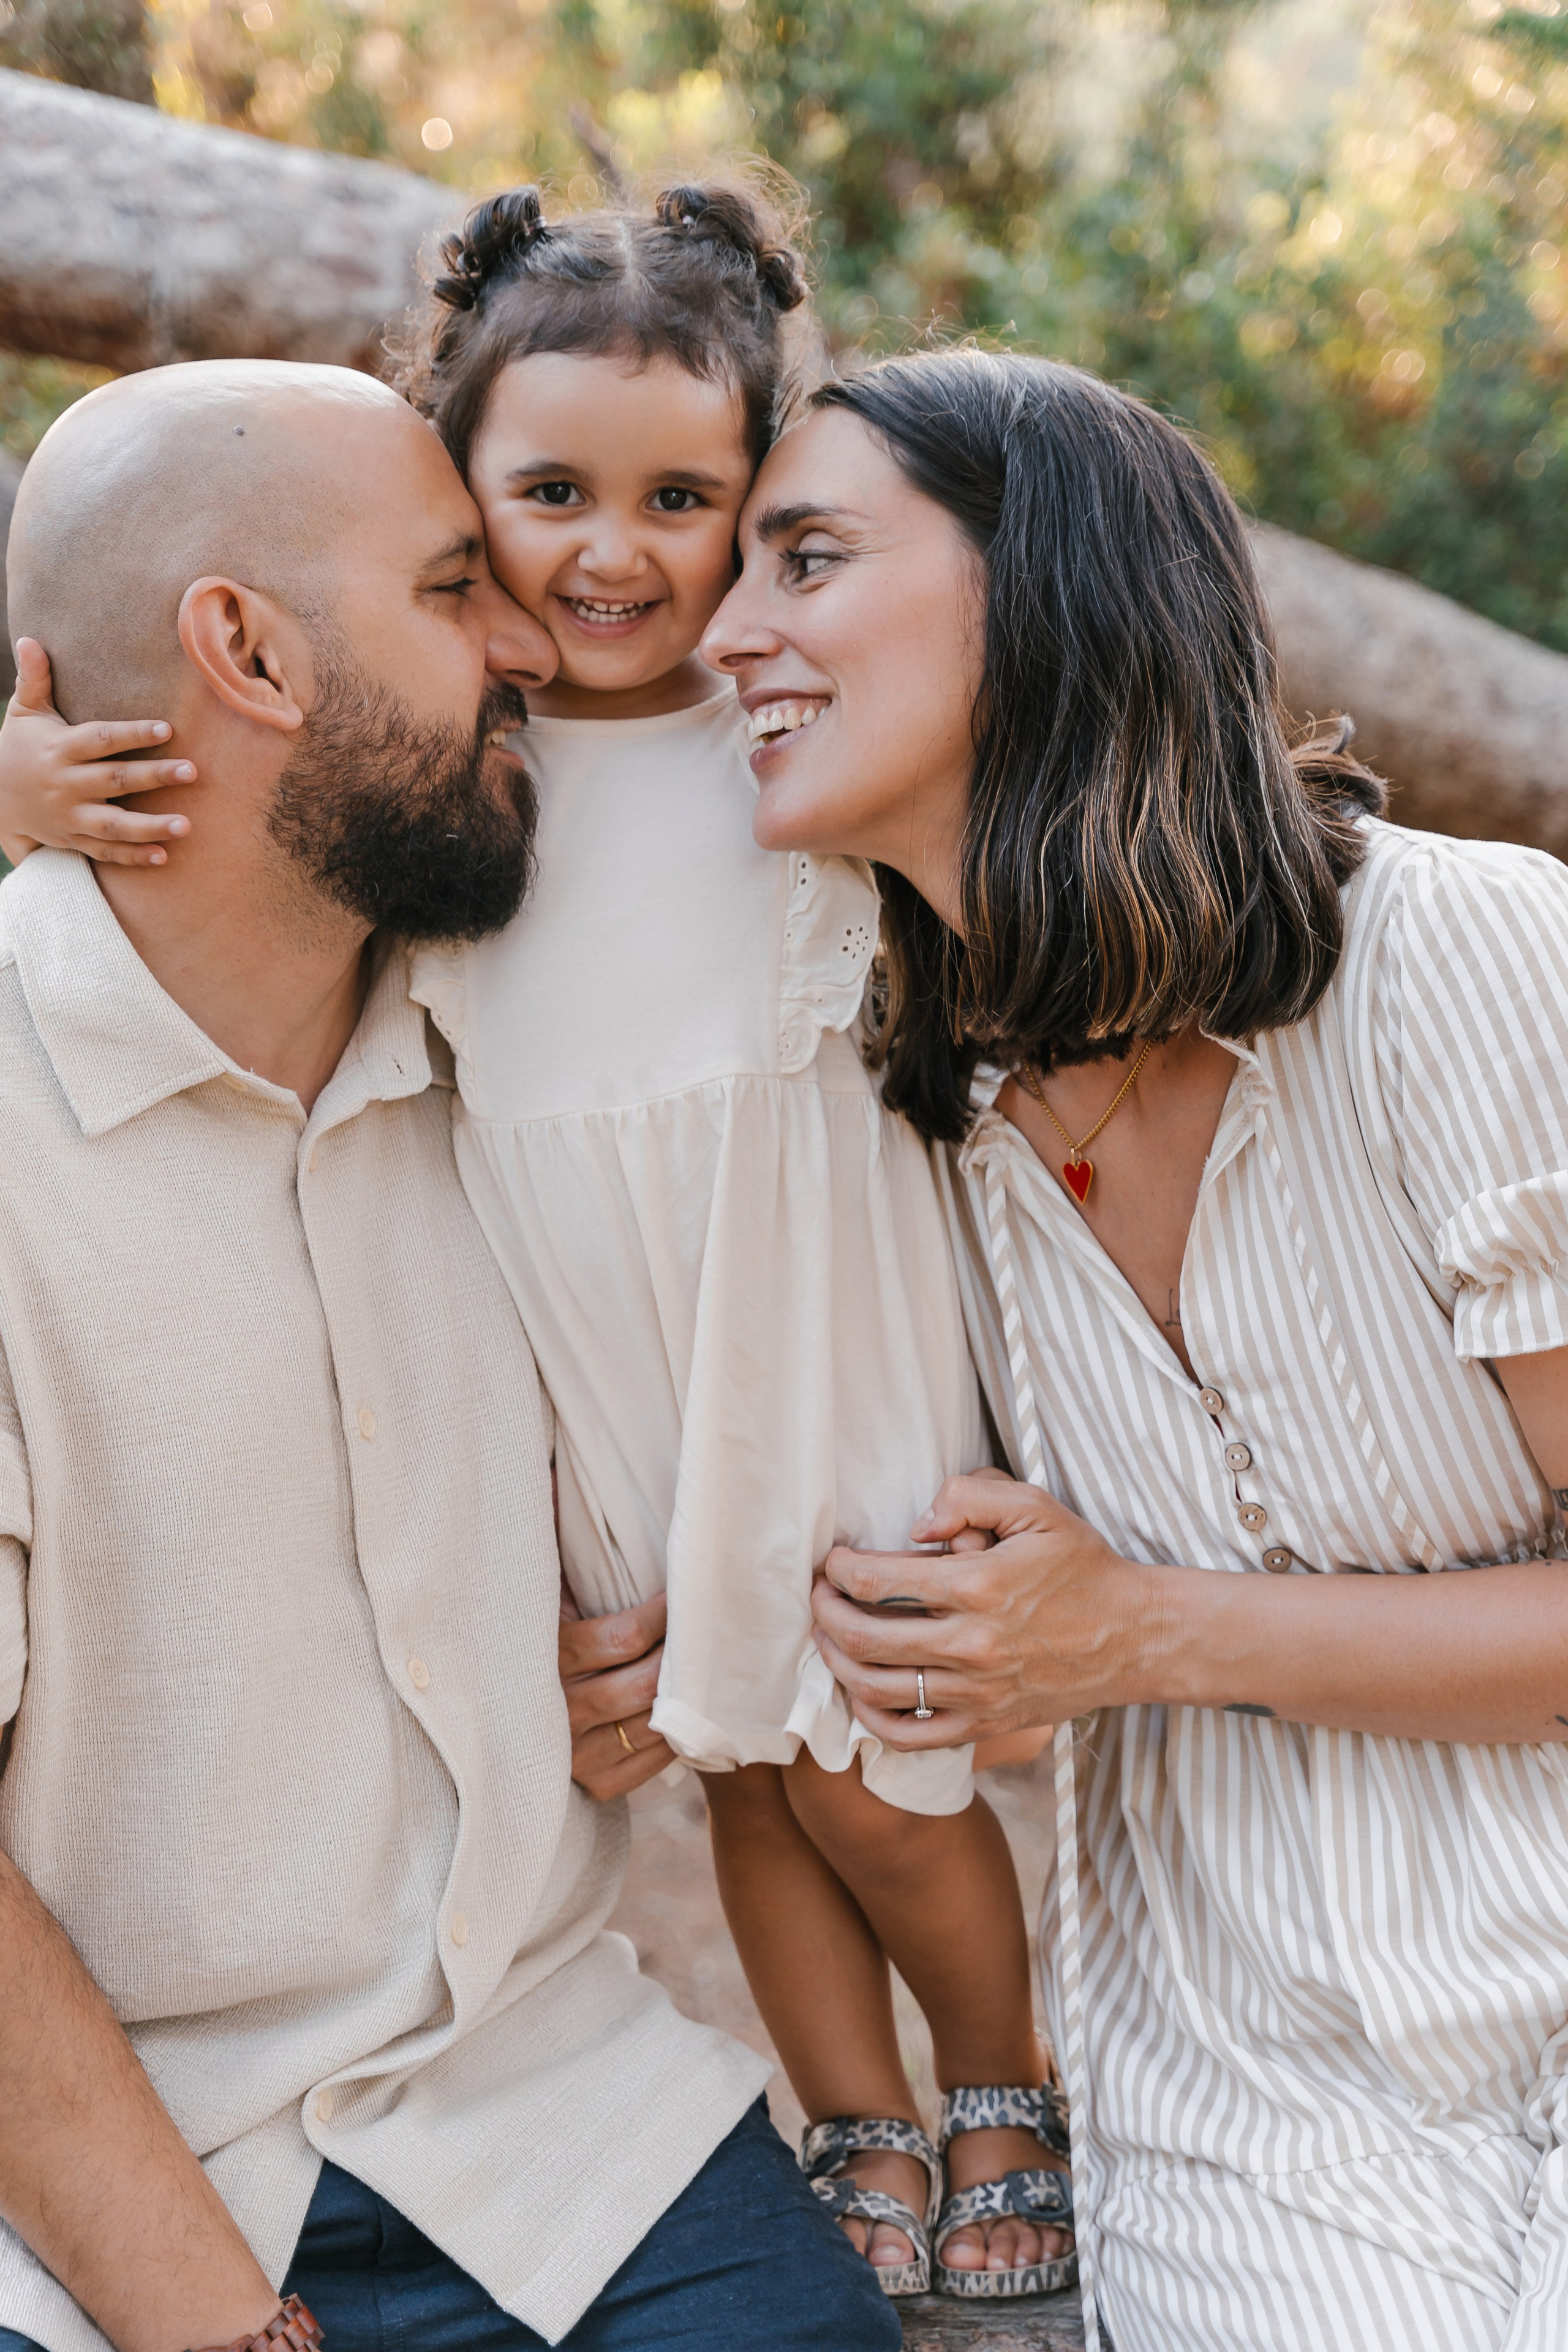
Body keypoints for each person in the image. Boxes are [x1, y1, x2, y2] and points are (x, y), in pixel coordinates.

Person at [0, 186, 1071, 2304]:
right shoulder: (417, 884)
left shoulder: (638, 817)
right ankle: (872, 2115)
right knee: (773, 1787)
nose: (566, 592)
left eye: (690, 499)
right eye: (493, 543)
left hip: (570, 2072)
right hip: (156, 2166)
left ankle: (993, 2090)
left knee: (860, 1780)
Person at [696, 346, 1568, 2352]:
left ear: (1049, 586)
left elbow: (1107, 1629)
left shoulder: (1461, 959)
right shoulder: (896, 1111)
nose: (732, 632)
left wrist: (1145, 1633)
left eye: (806, 558)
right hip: (1245, 2082)